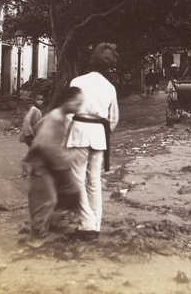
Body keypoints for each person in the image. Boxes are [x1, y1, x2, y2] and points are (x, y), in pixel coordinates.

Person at [66, 43, 119, 240]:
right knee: (94, 181)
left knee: (77, 180)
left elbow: (68, 112)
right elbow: (113, 119)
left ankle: (86, 224)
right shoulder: (110, 87)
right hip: (99, 134)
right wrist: (102, 131)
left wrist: (66, 133)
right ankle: (95, 224)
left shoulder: (77, 82)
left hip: (79, 132)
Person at [24, 86, 83, 239]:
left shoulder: (59, 116)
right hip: (41, 164)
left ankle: (49, 223)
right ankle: (36, 235)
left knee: (67, 193)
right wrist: (69, 158)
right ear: (68, 101)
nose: (79, 106)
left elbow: (39, 128)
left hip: (49, 162)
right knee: (47, 199)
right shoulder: (56, 118)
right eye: (77, 103)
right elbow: (46, 145)